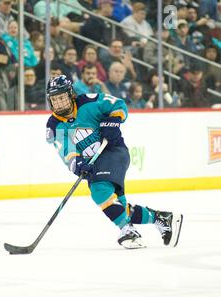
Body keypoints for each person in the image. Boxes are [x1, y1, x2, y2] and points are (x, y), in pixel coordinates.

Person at [45, 75, 183, 249]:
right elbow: (66, 151)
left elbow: (118, 104)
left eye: (62, 97)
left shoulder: (88, 102)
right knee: (118, 206)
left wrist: (113, 120)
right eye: (54, 99)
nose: (58, 103)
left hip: (113, 152)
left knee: (99, 189)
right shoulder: (54, 125)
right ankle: (161, 219)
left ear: (71, 94)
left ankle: (128, 231)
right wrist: (77, 164)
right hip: (93, 165)